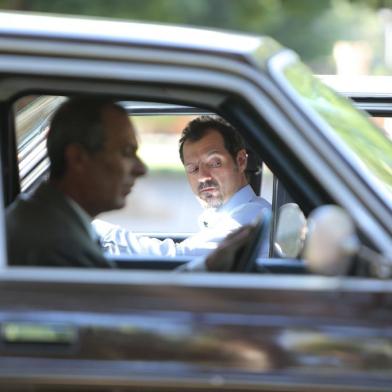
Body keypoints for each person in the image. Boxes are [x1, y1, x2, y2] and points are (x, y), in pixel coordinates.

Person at [94, 115, 271, 261]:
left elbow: (176, 259)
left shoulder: (249, 218)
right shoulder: (231, 216)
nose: (203, 176)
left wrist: (99, 230)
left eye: (215, 163)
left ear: (240, 161)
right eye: (193, 168)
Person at [6, 97, 147, 267]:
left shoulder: (35, 217)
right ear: (78, 158)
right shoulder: (63, 249)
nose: (141, 169)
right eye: (126, 152)